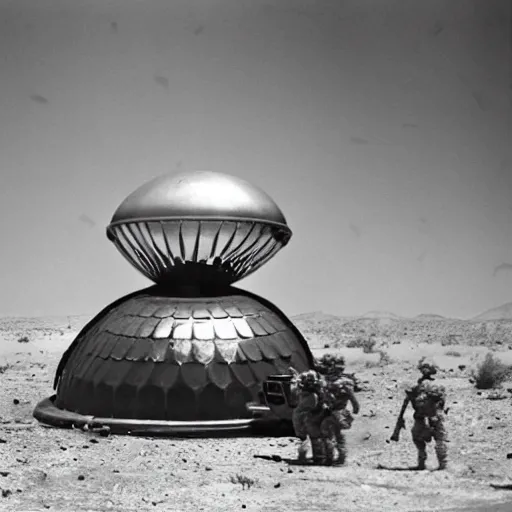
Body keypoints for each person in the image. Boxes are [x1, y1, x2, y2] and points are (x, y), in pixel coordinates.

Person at [315, 354, 360, 465]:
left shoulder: (339, 383)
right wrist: (355, 407)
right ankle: (339, 456)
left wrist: (355, 407)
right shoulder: (341, 382)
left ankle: (331, 457)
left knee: (328, 432)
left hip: (336, 411)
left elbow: (352, 397)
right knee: (336, 434)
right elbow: (353, 398)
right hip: (335, 411)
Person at [405, 358, 448, 470]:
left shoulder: (417, 386)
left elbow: (414, 403)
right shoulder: (439, 385)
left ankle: (422, 462)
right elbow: (443, 402)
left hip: (422, 417)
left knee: (419, 438)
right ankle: (442, 464)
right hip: (435, 416)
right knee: (439, 439)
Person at [289, 368, 329, 464]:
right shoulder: (313, 393)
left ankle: (312, 457)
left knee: (308, 438)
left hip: (309, 417)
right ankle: (318, 457)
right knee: (314, 438)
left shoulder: (309, 395)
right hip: (312, 417)